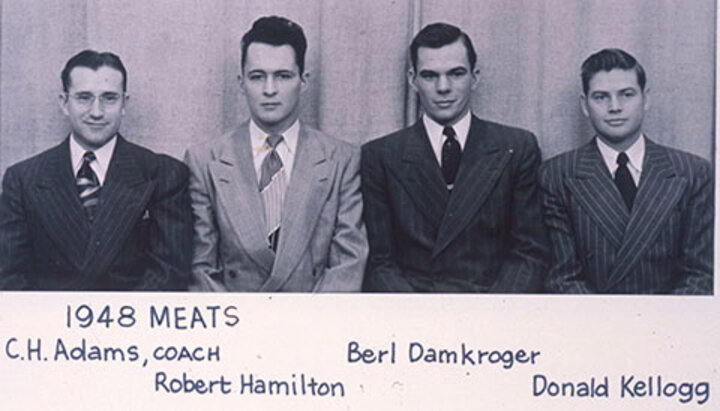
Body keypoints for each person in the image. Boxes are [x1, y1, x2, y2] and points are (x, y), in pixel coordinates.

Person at [185, 16, 367, 292]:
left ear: (303, 81)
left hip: (312, 326)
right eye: (257, 77)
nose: (269, 90)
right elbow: (200, 266)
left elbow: (348, 264)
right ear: (241, 82)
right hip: (236, 325)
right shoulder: (205, 160)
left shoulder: (341, 159)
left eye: (283, 76)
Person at [362, 23, 548, 292]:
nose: (443, 87)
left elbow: (529, 253)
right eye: (429, 76)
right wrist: (421, 319)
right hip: (416, 320)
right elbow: (380, 263)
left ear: (475, 76)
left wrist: (491, 317)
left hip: (492, 316)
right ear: (412, 80)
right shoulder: (380, 155)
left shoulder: (517, 147)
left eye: (456, 73)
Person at [0, 50, 192, 290]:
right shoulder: (22, 179)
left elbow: (169, 272)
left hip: (134, 323)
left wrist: (119, 324)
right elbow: (10, 276)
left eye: (109, 98)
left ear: (124, 103)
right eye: (84, 97)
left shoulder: (163, 174)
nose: (97, 112)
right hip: (50, 324)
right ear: (64, 103)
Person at [539, 48, 713, 294]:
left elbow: (701, 274)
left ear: (646, 98)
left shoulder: (693, 173)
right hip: (591, 324)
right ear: (585, 105)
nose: (615, 107)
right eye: (600, 97)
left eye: (626, 95)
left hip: (666, 326)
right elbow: (562, 276)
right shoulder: (557, 175)